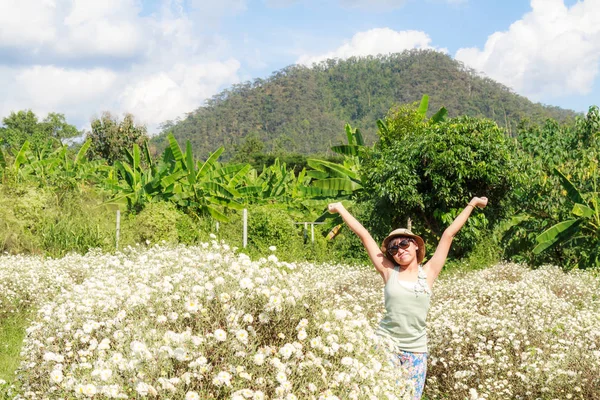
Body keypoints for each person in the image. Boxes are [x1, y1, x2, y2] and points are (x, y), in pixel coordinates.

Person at [327, 197, 488, 399]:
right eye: (393, 249)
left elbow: (448, 234)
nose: (399, 250)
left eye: (403, 243)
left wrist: (472, 204)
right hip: (385, 346)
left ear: (415, 246)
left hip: (416, 351)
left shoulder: (428, 272)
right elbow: (364, 235)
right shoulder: (388, 271)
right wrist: (341, 209)